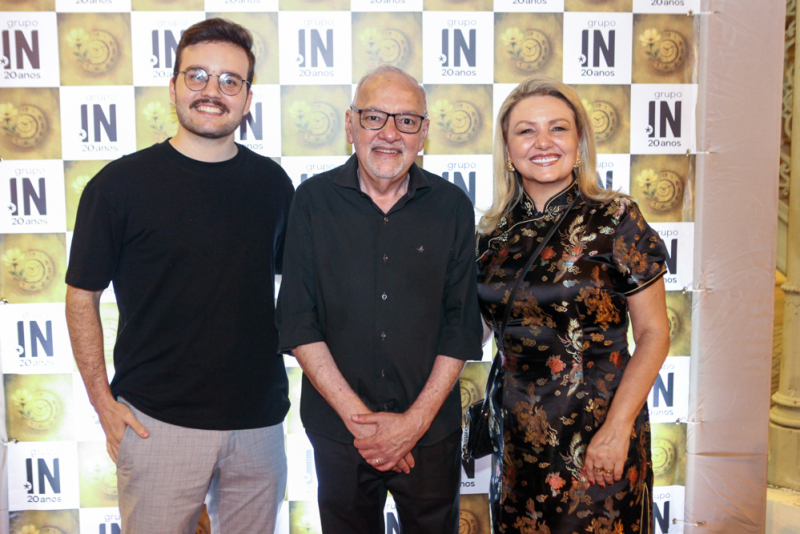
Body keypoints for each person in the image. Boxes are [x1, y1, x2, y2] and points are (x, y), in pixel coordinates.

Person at [65, 18, 292, 534]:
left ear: (248, 99)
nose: (213, 92)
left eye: (230, 81)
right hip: (155, 426)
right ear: (173, 87)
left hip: (259, 427)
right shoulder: (117, 186)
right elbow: (81, 298)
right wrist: (103, 404)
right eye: (198, 77)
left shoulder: (273, 185)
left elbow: (298, 290)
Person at [276, 65, 483, 534]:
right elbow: (297, 320)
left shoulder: (452, 206)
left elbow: (461, 324)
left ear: (424, 133)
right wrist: (364, 426)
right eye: (374, 117)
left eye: (407, 120)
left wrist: (412, 424)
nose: (390, 134)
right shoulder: (311, 201)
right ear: (350, 124)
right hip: (338, 435)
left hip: (430, 436)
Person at [476, 76, 670, 533]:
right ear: (507, 149)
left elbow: (654, 334)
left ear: (579, 139)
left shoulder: (617, 217)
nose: (542, 142)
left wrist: (618, 429)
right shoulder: (491, 235)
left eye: (558, 128)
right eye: (526, 131)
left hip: (600, 437)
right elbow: (474, 332)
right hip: (518, 442)